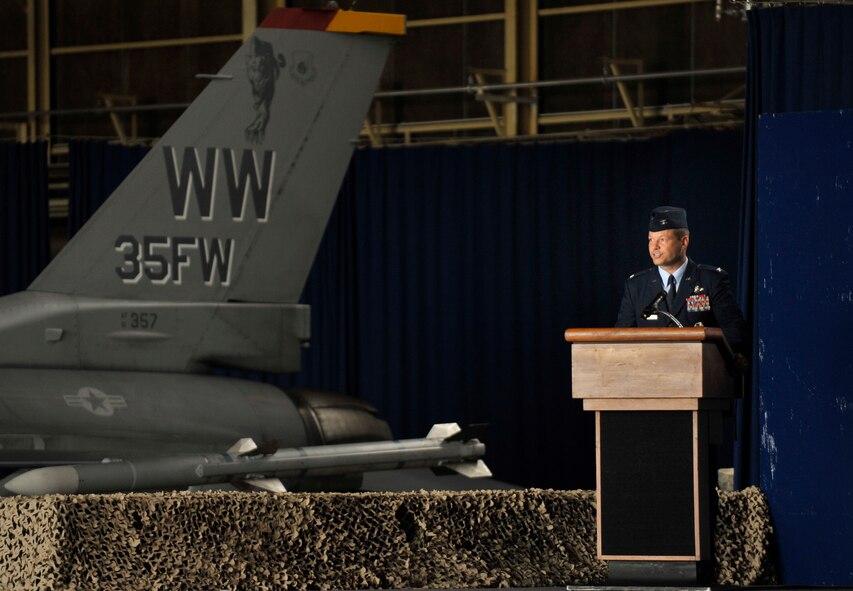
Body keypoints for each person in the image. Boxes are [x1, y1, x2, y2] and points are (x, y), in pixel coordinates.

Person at [615, 205, 747, 353]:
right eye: (651, 239)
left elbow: (735, 335)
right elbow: (621, 339)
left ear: (683, 242)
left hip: (700, 370)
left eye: (662, 240)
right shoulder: (636, 286)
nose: (654, 247)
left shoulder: (711, 280)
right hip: (651, 371)